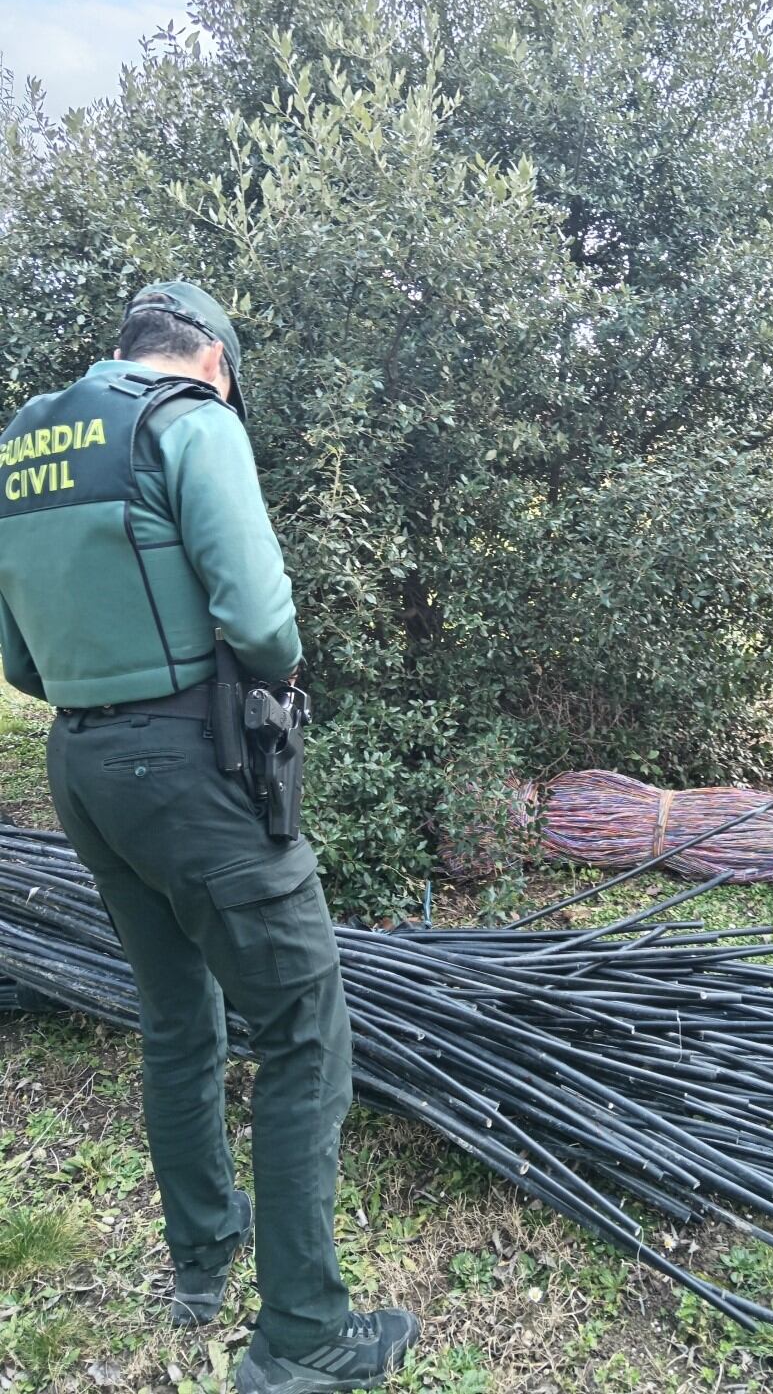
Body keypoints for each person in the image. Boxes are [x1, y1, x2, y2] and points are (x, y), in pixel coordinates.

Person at [0, 283, 420, 1394]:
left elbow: (20, 663)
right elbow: (265, 619)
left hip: (82, 765)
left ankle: (200, 1260)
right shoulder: (189, 421)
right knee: (300, 1022)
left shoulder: (22, 445)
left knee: (177, 1017)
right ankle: (302, 1337)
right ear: (215, 362)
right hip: (189, 769)